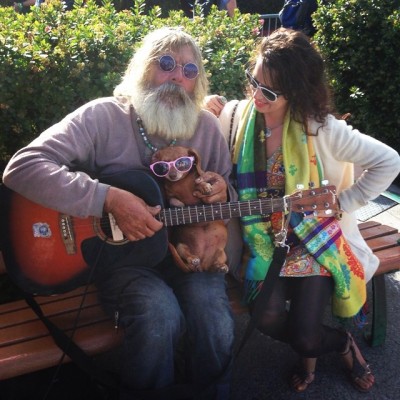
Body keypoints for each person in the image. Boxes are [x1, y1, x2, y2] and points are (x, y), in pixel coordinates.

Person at [3, 27, 236, 400]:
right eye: (167, 64)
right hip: (124, 262)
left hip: (189, 252)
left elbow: (226, 194)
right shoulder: (102, 117)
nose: (178, 76)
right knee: (158, 315)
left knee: (213, 317)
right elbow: (24, 167)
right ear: (145, 69)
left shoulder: (206, 128)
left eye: (190, 71)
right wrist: (105, 198)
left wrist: (224, 192)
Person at [205, 28, 400, 393]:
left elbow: (389, 161)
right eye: (252, 81)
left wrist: (345, 201)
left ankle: (339, 343)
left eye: (268, 91)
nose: (255, 96)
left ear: (295, 91)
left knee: (308, 338)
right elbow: (198, 135)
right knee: (266, 318)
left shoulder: (320, 128)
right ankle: (307, 346)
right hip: (262, 238)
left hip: (314, 237)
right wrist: (206, 106)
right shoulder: (236, 117)